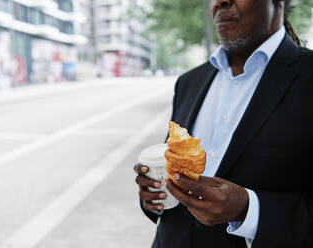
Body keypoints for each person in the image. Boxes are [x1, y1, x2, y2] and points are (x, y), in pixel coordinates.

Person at [134, 0, 313, 247]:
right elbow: (172, 176)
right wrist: (155, 197)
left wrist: (248, 210)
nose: (219, 2)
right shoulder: (189, 82)